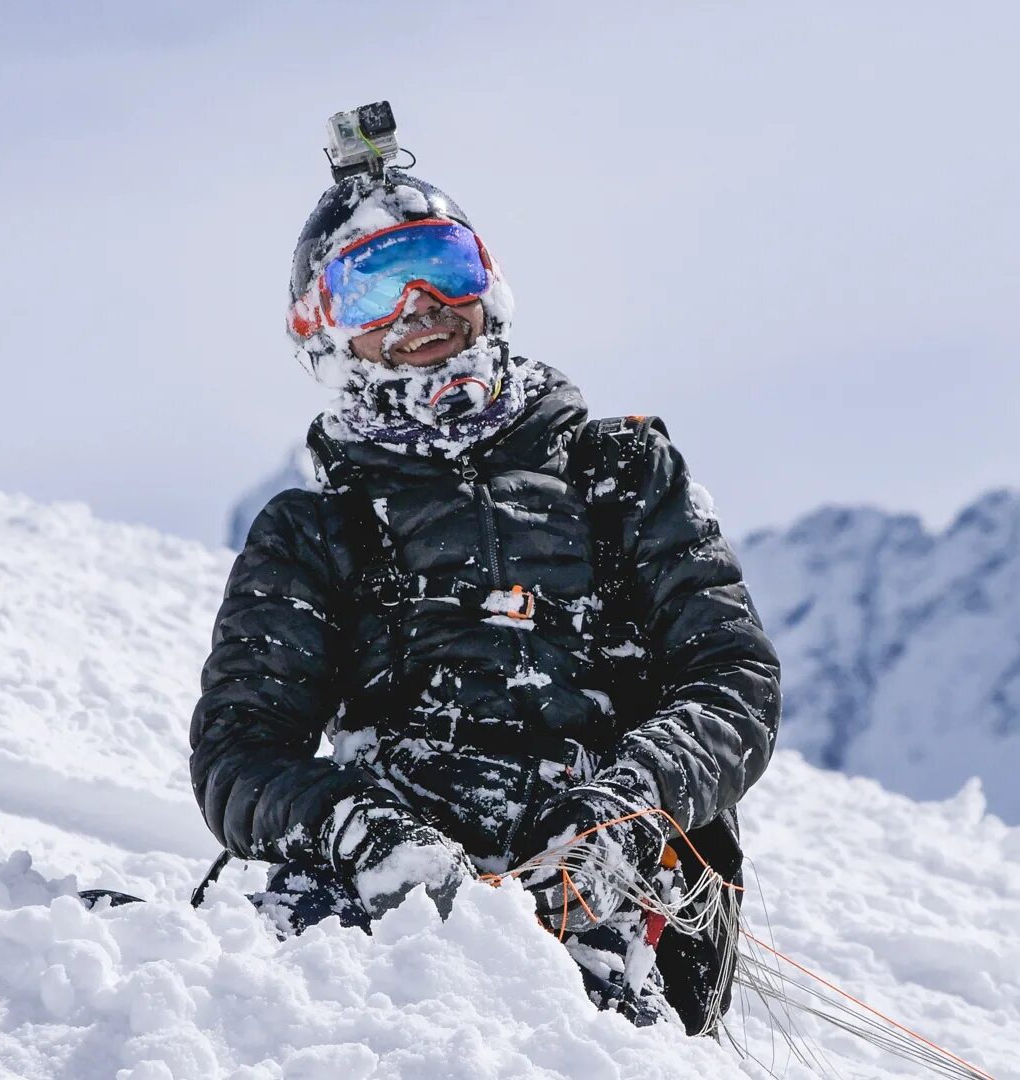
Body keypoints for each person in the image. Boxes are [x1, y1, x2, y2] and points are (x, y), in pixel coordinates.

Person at [187, 166, 781, 1033]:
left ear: (489, 284)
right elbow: (240, 752)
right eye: (373, 289)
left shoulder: (620, 475)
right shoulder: (315, 530)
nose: (421, 307)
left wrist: (628, 808)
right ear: (324, 332)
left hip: (610, 889)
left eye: (443, 267)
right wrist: (359, 831)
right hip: (388, 896)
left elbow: (735, 680)